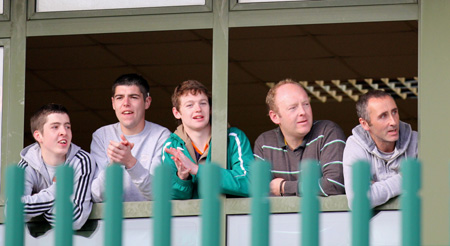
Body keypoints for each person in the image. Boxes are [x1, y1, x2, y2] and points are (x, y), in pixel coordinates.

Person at [254, 79, 346, 196]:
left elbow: (335, 184)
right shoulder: (264, 143)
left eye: (306, 104)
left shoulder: (328, 132)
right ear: (275, 117)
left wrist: (284, 187)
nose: (303, 111)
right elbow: (261, 194)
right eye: (293, 108)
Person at [162, 80, 253, 199]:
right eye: (190, 105)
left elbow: (250, 183)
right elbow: (171, 198)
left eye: (203, 103)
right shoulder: (171, 146)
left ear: (210, 108)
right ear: (177, 112)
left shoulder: (234, 137)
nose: (198, 109)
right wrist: (182, 178)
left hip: (228, 216)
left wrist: (197, 170)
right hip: (193, 218)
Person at [90, 74, 170, 202]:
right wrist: (114, 164)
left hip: (151, 219)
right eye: (119, 98)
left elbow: (158, 193)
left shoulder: (162, 136)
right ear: (113, 103)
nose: (126, 103)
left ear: (147, 102)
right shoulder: (101, 135)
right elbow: (97, 195)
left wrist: (130, 162)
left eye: (133, 97)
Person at [18, 103, 94, 230]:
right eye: (55, 127)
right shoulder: (27, 164)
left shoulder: (82, 161)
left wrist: (35, 202)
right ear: (38, 136)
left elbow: (75, 218)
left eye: (67, 127)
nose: (64, 132)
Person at [343, 90, 418, 208]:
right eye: (383, 116)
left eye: (394, 112)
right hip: (376, 225)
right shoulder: (356, 146)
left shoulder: (417, 142)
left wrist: (375, 189)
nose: (393, 122)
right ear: (364, 124)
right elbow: (358, 201)